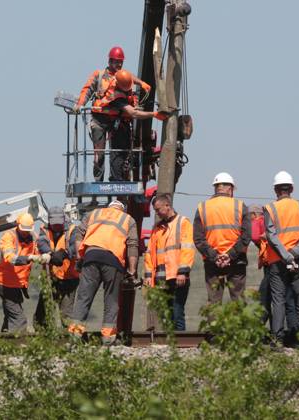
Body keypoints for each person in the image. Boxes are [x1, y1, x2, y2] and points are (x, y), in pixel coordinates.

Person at [73, 46, 165, 181]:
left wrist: (141, 82)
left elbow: (128, 76)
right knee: (99, 155)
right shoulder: (105, 82)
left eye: (121, 62)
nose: (119, 65)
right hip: (100, 119)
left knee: (119, 153)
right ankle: (99, 182)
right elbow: (87, 90)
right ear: (110, 61)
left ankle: (116, 179)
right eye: (116, 62)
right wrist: (80, 105)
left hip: (118, 120)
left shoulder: (121, 77)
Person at [69, 200, 139, 345]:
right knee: (111, 300)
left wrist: (79, 258)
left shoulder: (94, 214)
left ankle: (75, 335)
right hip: (113, 260)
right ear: (122, 209)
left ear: (109, 208)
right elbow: (132, 246)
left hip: (91, 256)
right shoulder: (128, 219)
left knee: (83, 297)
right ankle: (108, 339)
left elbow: (78, 235)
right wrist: (132, 271)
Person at [263, 171, 299, 345]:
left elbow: (271, 236)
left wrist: (286, 256)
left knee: (278, 301)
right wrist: (295, 253)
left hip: (278, 262)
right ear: (291, 188)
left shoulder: (270, 208)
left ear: (275, 190)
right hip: (298, 261)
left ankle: (277, 340)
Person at [194, 172, 251, 308]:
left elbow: (198, 239)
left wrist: (215, 256)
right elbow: (246, 236)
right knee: (238, 299)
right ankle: (239, 329)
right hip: (237, 260)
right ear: (230, 189)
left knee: (214, 301)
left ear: (216, 188)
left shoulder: (203, 207)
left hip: (212, 262)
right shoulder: (240, 205)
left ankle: (214, 329)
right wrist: (230, 255)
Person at [144, 193, 194, 331]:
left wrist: (182, 272)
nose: (157, 213)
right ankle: (171, 343)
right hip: (161, 279)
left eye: (158, 209)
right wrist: (148, 276)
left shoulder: (183, 222)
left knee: (177, 311)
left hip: (178, 277)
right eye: (155, 210)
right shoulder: (157, 229)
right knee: (167, 313)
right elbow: (149, 253)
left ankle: (179, 344)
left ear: (167, 206)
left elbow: (187, 248)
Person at [34, 207, 80, 327]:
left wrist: (64, 253)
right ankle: (43, 339)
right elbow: (41, 243)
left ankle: (68, 341)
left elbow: (75, 246)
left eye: (59, 223)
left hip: (69, 279)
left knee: (65, 315)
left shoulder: (73, 230)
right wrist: (50, 254)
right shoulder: (44, 229)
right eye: (54, 224)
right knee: (41, 315)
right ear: (49, 221)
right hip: (51, 278)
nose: (57, 226)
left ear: (64, 220)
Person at [0, 213, 40, 332]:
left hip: (18, 284)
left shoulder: (33, 238)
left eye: (27, 230)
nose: (25, 232)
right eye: (23, 230)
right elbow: (10, 257)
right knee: (19, 319)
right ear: (17, 225)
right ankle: (17, 345)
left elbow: (39, 252)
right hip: (5, 284)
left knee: (10, 316)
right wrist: (28, 258)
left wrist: (43, 256)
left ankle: (4, 341)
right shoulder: (9, 236)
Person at [249, 204, 271, 324]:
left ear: (255, 214)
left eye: (249, 216)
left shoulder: (260, 221)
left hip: (271, 265)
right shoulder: (267, 222)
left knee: (264, 296)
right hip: (271, 264)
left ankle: (259, 324)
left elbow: (254, 236)